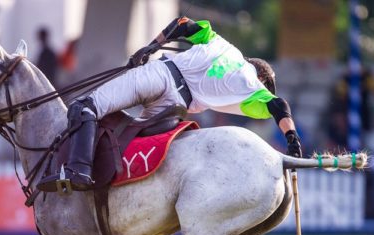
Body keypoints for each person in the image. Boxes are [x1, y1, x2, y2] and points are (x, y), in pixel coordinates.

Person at [37, 17, 303, 192]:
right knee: (133, 145)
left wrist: (151, 47)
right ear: (262, 78)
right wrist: (292, 139)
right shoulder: (254, 89)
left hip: (160, 75)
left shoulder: (223, 45)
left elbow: (182, 24)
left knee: (85, 107)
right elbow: (280, 107)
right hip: (175, 106)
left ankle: (79, 170)